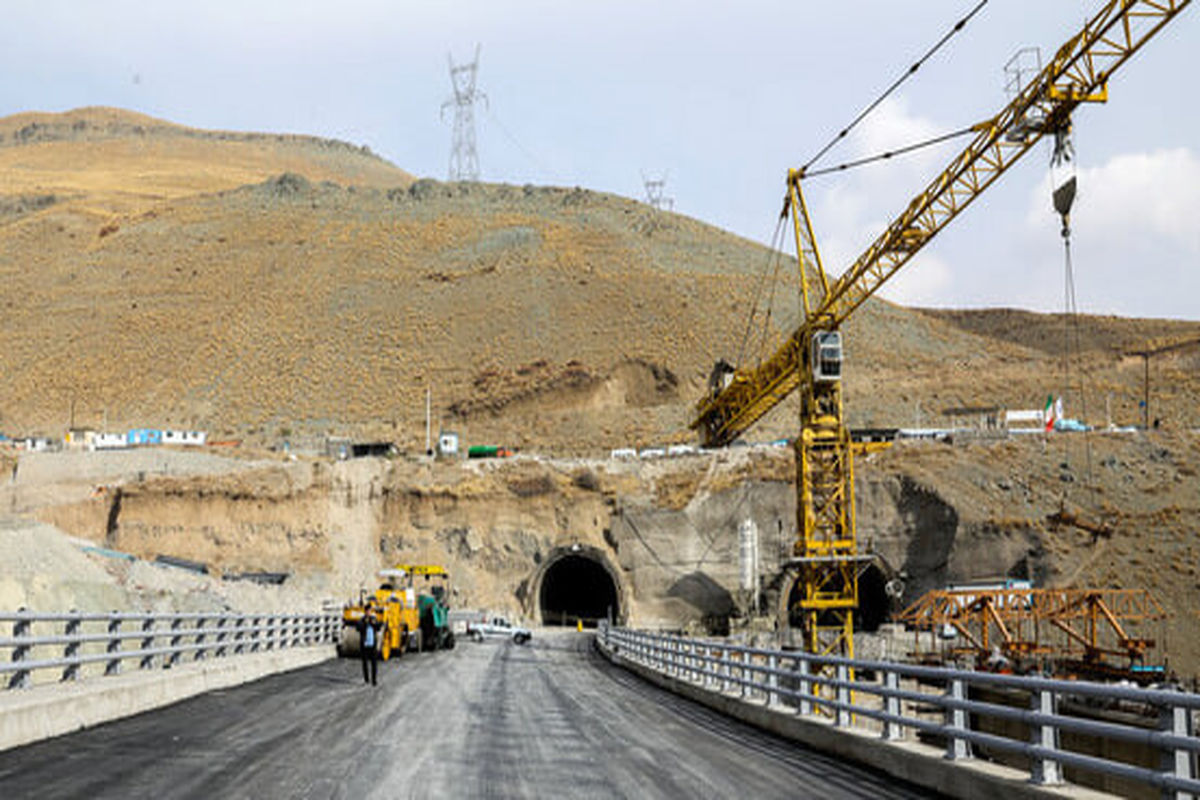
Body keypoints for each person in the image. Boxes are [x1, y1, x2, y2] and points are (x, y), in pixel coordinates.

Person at [358, 604, 383, 686]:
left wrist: (375, 624)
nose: (368, 612)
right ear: (365, 611)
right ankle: (366, 679)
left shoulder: (373, 619)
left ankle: (374, 680)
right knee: (365, 663)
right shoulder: (362, 620)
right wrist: (365, 623)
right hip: (365, 644)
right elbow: (359, 628)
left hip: (372, 644)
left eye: (370, 611)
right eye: (367, 611)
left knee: (374, 663)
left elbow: (378, 628)